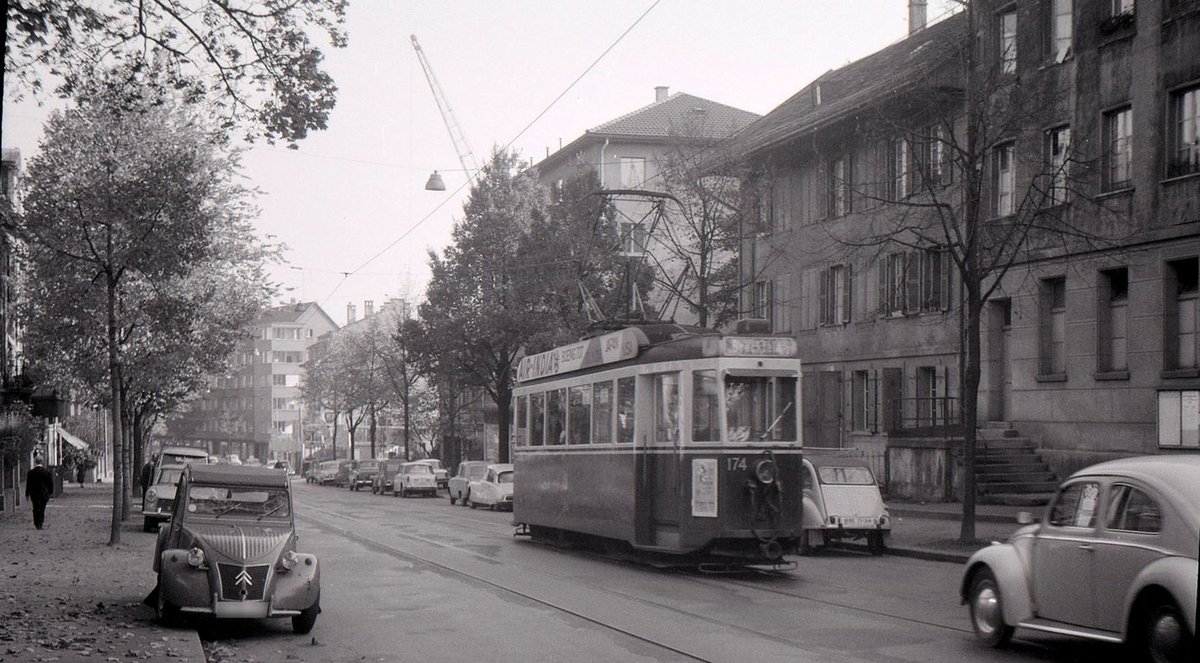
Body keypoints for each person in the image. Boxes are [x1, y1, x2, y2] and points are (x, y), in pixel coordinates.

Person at [25, 456, 54, 530]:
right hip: (43, 493)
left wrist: (27, 494)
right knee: (42, 508)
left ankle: (36, 522)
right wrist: (50, 492)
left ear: (35, 462)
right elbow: (50, 483)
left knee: (35, 508)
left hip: (34, 493)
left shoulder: (31, 473)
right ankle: (40, 523)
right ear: (42, 462)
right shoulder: (46, 472)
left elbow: (28, 484)